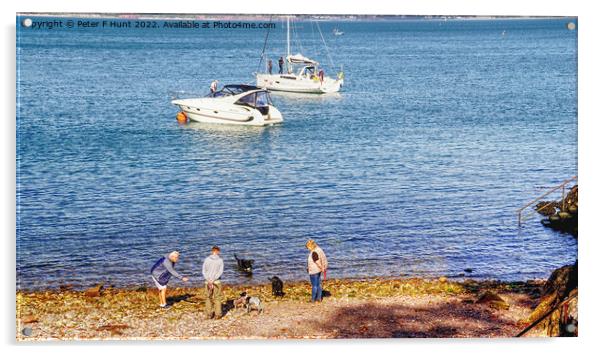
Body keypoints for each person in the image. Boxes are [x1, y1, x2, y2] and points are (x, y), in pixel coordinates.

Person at [202, 246, 224, 319]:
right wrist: (213, 279)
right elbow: (220, 272)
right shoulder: (220, 260)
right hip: (217, 282)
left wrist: (208, 280)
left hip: (207, 282)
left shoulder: (207, 259)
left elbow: (203, 271)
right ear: (218, 252)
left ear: (212, 251)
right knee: (217, 298)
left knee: (208, 297)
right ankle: (218, 314)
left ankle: (209, 314)